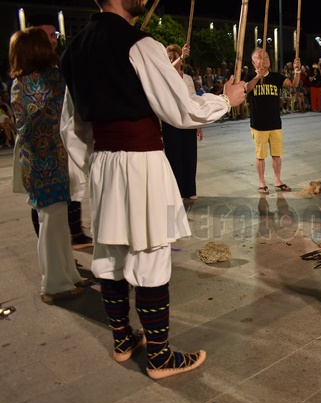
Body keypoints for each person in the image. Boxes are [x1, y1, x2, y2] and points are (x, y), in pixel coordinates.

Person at [59, 0, 246, 379]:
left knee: (110, 254)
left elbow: (72, 128)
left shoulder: (74, 49)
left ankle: (123, 340)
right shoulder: (140, 44)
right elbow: (180, 108)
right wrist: (226, 100)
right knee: (151, 255)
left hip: (104, 162)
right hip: (141, 163)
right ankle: (159, 357)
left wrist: (95, 168)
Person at [9, 28, 90, 304]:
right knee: (52, 223)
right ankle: (54, 284)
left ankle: (68, 275)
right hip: (46, 161)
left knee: (56, 222)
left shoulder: (22, 82)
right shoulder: (47, 79)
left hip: (42, 160)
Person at [29, 13, 94, 250]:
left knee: (74, 186)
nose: (53, 39)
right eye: (47, 35)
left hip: (64, 141)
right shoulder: (31, 74)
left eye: (54, 34)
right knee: (45, 204)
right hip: (44, 150)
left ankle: (74, 236)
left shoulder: (57, 66)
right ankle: (52, 250)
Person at [244, 48, 301, 195]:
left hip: (275, 123)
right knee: (260, 155)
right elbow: (246, 89)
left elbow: (293, 84)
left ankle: (277, 180)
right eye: (260, 57)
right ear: (253, 62)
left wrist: (297, 71)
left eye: (266, 57)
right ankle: (262, 183)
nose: (264, 59)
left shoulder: (276, 77)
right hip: (259, 125)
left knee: (276, 155)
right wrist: (257, 77)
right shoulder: (249, 76)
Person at [162, 44, 201, 200]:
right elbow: (168, 71)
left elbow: (193, 100)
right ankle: (176, 191)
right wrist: (181, 57)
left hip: (188, 121)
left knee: (190, 156)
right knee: (174, 156)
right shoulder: (165, 76)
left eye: (175, 57)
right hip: (171, 121)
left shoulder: (188, 78)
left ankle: (190, 190)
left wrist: (198, 124)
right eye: (169, 58)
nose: (172, 60)